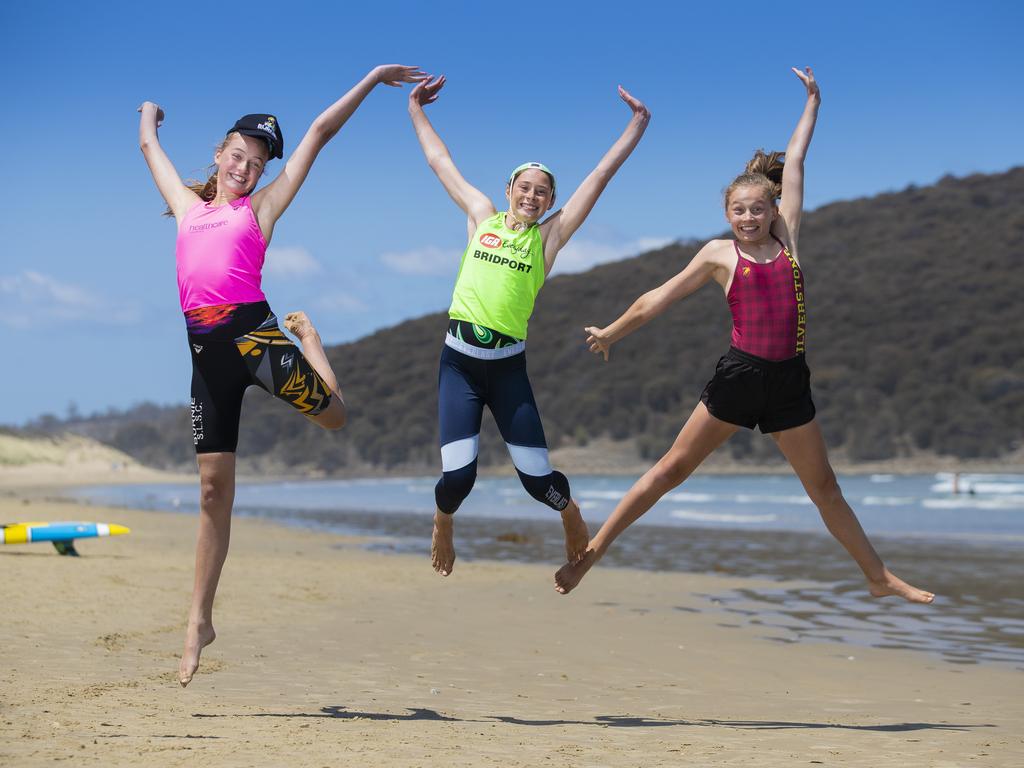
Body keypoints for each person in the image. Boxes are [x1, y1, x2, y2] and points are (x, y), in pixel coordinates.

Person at [554, 68, 934, 605]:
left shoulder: (790, 241)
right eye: (739, 210)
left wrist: (813, 102)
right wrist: (613, 332)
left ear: (774, 209)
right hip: (741, 375)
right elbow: (657, 298)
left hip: (789, 382)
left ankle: (878, 576)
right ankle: (591, 553)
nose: (749, 217)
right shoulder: (718, 254)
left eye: (758, 208)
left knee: (825, 488)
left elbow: (797, 159)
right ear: (727, 214)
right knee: (671, 470)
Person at [138, 64, 424, 686]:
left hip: (257, 341)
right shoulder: (187, 209)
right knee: (213, 494)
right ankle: (198, 621)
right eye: (240, 155)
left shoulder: (261, 211)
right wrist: (150, 112)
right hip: (206, 359)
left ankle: (314, 344)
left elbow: (319, 131)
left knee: (337, 417)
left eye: (258, 163)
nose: (247, 168)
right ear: (219, 155)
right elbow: (147, 144)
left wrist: (372, 79)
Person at [407, 75, 650, 577]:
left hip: (507, 368)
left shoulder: (547, 240)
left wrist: (638, 124)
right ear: (509, 190)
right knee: (459, 476)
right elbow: (439, 162)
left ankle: (571, 513)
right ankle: (443, 520)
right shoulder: (482, 219)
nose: (533, 197)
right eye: (525, 188)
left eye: (543, 192)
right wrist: (415, 108)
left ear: (548, 201)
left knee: (538, 480)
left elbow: (600, 176)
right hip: (459, 365)